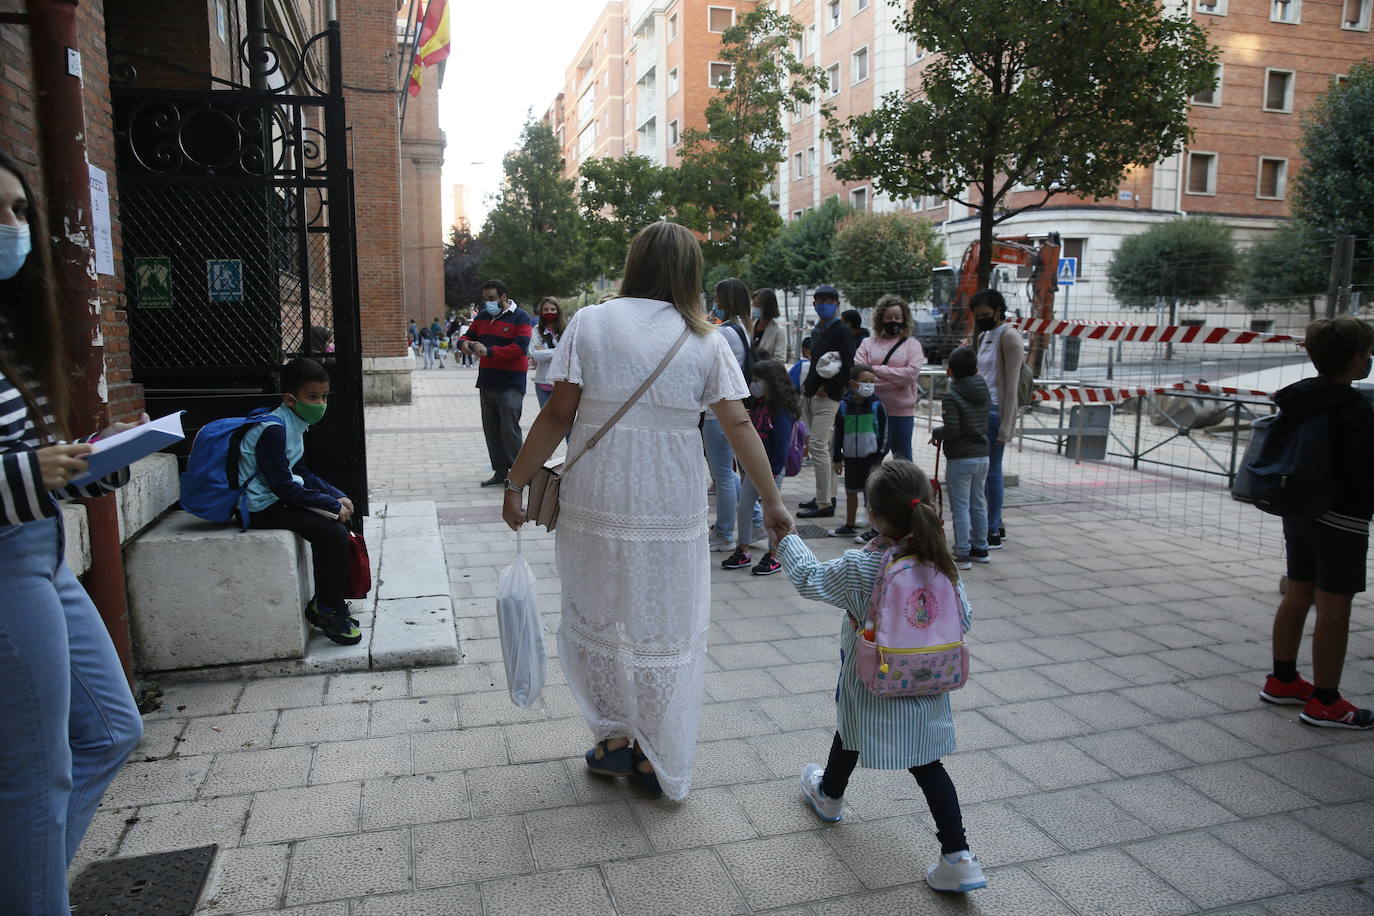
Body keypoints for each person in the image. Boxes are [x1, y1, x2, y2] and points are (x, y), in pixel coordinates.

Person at [500, 222, 793, 800]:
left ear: (634, 264)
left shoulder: (591, 322)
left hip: (597, 495)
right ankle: (656, 755)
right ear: (691, 273)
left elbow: (558, 416)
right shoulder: (705, 339)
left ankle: (612, 742)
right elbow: (736, 423)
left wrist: (516, 482)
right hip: (670, 500)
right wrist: (775, 501)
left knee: (598, 612)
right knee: (664, 623)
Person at [0, 151, 144, 913]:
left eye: (20, 211)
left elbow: (36, 461)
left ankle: (27, 885)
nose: (13, 227)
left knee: (112, 731)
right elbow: (21, 469)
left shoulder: (15, 334)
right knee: (35, 770)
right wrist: (36, 474)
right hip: (6, 564)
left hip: (45, 553)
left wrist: (99, 466)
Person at [775, 460, 986, 893]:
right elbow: (963, 617)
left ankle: (829, 797)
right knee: (928, 765)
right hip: (927, 682)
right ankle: (958, 857)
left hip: (871, 678)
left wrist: (788, 540)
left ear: (873, 515)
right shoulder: (941, 562)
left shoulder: (860, 566)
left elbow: (809, 579)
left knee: (851, 729)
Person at [1260, 316, 1374, 729]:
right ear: (1358, 358)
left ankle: (1283, 678)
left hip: (1300, 510)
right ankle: (1326, 701)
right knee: (1334, 607)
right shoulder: (1355, 408)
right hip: (1342, 519)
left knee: (1298, 594)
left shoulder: (1298, 398)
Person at [238, 357, 361, 646]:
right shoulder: (275, 429)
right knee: (332, 532)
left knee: (333, 527)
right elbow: (282, 486)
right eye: (312, 397)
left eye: (324, 396)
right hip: (259, 508)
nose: (320, 404)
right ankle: (327, 609)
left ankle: (328, 601)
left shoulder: (293, 423)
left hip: (274, 499)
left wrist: (336, 494)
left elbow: (299, 470)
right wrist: (332, 507)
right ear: (290, 399)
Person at [722, 359, 799, 576]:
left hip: (772, 471)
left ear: (771, 382)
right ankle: (743, 549)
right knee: (744, 507)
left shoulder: (781, 409)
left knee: (772, 512)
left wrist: (773, 472)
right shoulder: (759, 405)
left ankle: (775, 555)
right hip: (754, 470)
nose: (754, 384)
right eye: (753, 380)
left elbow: (781, 445)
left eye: (758, 380)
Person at [704, 277, 760, 551]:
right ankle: (757, 521)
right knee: (732, 473)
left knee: (723, 474)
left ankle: (724, 533)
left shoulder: (724, 332)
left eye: (717, 297)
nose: (715, 303)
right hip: (734, 408)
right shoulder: (743, 329)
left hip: (718, 413)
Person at [461, 280, 533, 487]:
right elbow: (468, 335)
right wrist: (464, 344)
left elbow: (520, 348)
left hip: (510, 383)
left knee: (510, 430)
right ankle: (500, 471)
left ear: (503, 296)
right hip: (487, 381)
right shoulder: (483, 317)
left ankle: (521, 475)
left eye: (491, 299)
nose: (488, 303)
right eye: (485, 299)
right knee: (491, 430)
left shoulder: (521, 317)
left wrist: (489, 352)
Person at [972, 289, 1024, 549]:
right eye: (978, 315)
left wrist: (1007, 425)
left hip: (995, 411)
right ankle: (995, 522)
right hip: (980, 411)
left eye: (986, 314)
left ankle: (991, 528)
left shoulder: (1010, 336)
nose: (982, 319)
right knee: (982, 471)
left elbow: (1012, 386)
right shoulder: (983, 336)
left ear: (998, 311)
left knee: (991, 471)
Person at [799, 285, 856, 519]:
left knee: (818, 447)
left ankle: (824, 503)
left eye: (829, 300)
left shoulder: (841, 330)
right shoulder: (818, 330)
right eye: (820, 300)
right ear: (814, 304)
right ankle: (826, 495)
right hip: (812, 393)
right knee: (825, 446)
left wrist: (831, 388)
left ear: (837, 304)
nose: (824, 304)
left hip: (828, 397)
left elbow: (848, 364)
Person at [931, 347, 990, 570]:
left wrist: (937, 433)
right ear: (976, 369)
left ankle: (962, 552)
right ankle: (981, 548)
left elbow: (952, 429)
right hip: (983, 455)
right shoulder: (984, 389)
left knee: (961, 507)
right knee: (978, 504)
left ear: (949, 371)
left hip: (961, 458)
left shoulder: (952, 395)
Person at [857, 294, 924, 462]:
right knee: (869, 460)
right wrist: (895, 378)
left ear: (905, 319)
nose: (893, 321)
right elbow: (859, 371)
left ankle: (903, 490)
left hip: (901, 414)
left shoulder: (913, 345)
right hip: (870, 410)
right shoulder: (867, 343)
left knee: (903, 461)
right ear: (880, 319)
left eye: (897, 317)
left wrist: (875, 371)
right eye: (888, 317)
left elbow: (910, 375)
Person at [829, 365, 888, 540]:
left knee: (871, 495)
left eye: (872, 382)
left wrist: (879, 455)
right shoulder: (844, 406)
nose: (869, 385)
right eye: (864, 381)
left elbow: (885, 434)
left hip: (871, 458)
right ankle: (850, 524)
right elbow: (838, 433)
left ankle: (875, 529)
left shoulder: (877, 406)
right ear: (853, 384)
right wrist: (837, 458)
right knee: (850, 491)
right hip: (851, 458)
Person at [529, 296, 564, 409]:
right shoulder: (536, 330)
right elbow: (535, 354)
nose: (549, 312)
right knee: (545, 421)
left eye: (552, 309)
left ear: (558, 311)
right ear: (541, 312)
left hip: (562, 382)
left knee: (562, 419)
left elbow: (569, 353)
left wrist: (545, 352)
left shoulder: (566, 330)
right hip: (542, 382)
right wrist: (559, 351)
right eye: (546, 309)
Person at [752, 287, 786, 360]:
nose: (754, 308)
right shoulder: (750, 326)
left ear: (768, 307)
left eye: (758, 305)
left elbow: (779, 360)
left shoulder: (779, 331)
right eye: (753, 304)